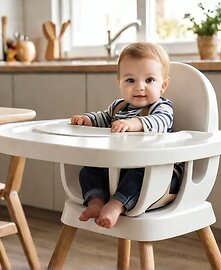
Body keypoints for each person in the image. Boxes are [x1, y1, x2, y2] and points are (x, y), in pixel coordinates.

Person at [70, 42, 182, 229]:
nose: (139, 87)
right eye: (130, 80)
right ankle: (95, 201)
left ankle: (116, 205)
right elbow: (104, 118)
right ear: (119, 83)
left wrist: (133, 124)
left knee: (138, 175)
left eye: (149, 80)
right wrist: (87, 120)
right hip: (119, 166)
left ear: (163, 85)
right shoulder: (119, 107)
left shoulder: (161, 107)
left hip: (157, 172)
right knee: (89, 169)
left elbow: (161, 123)